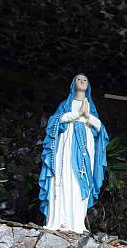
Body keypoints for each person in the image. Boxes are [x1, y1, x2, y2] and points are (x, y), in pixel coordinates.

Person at [38, 74, 109, 233]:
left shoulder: (91, 106)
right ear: (73, 84)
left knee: (80, 183)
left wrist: (87, 116)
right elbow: (54, 122)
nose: (82, 82)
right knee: (63, 180)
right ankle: (60, 219)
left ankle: (76, 221)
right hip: (66, 148)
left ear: (88, 85)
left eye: (85, 80)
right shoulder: (65, 104)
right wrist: (75, 115)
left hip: (85, 149)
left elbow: (100, 129)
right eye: (79, 79)